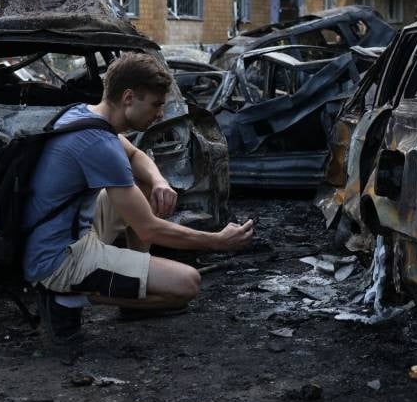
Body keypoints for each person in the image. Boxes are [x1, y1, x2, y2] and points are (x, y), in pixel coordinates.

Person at [23, 53, 255, 344]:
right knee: (187, 284)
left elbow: (134, 154)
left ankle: (130, 277)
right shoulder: (100, 144)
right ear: (129, 98)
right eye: (156, 105)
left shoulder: (82, 114)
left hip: (54, 235)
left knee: (143, 181)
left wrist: (158, 181)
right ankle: (66, 300)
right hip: (58, 259)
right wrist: (218, 241)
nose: (160, 114)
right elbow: (149, 229)